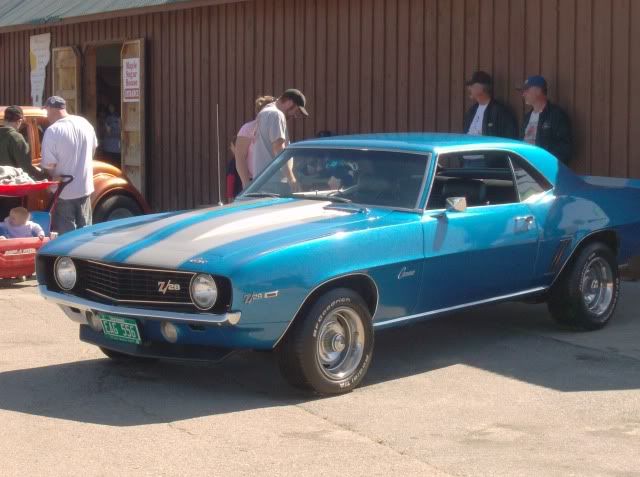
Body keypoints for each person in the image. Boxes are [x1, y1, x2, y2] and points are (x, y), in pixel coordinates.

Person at [40, 96, 98, 234]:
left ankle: (69, 257)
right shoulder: (85, 123)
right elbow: (93, 150)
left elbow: (49, 165)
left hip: (63, 192)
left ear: (51, 109)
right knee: (85, 233)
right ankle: (85, 256)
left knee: (66, 237)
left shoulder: (53, 131)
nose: (47, 115)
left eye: (47, 111)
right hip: (84, 187)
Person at [251, 89, 309, 187]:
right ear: (289, 103)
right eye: (296, 110)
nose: (294, 115)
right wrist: (291, 179)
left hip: (260, 180)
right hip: (274, 182)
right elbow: (278, 149)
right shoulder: (276, 115)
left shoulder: (264, 112)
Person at [519, 75, 572, 165]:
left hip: (544, 169)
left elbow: (565, 147)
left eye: (527, 90)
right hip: (526, 167)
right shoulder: (527, 117)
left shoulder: (556, 115)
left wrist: (546, 162)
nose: (523, 94)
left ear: (539, 91)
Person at [234, 95, 275, 188]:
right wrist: (246, 183)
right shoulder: (248, 128)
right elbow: (240, 158)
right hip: (255, 182)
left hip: (275, 180)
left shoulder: (277, 128)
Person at [463, 71, 518, 139]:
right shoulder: (471, 111)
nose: (469, 88)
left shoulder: (501, 112)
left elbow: (509, 137)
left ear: (482, 87)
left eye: (472, 85)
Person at [0, 106, 44, 179]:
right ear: (19, 121)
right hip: (12, 183)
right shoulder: (16, 137)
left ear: (4, 120)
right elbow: (25, 167)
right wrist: (44, 177)